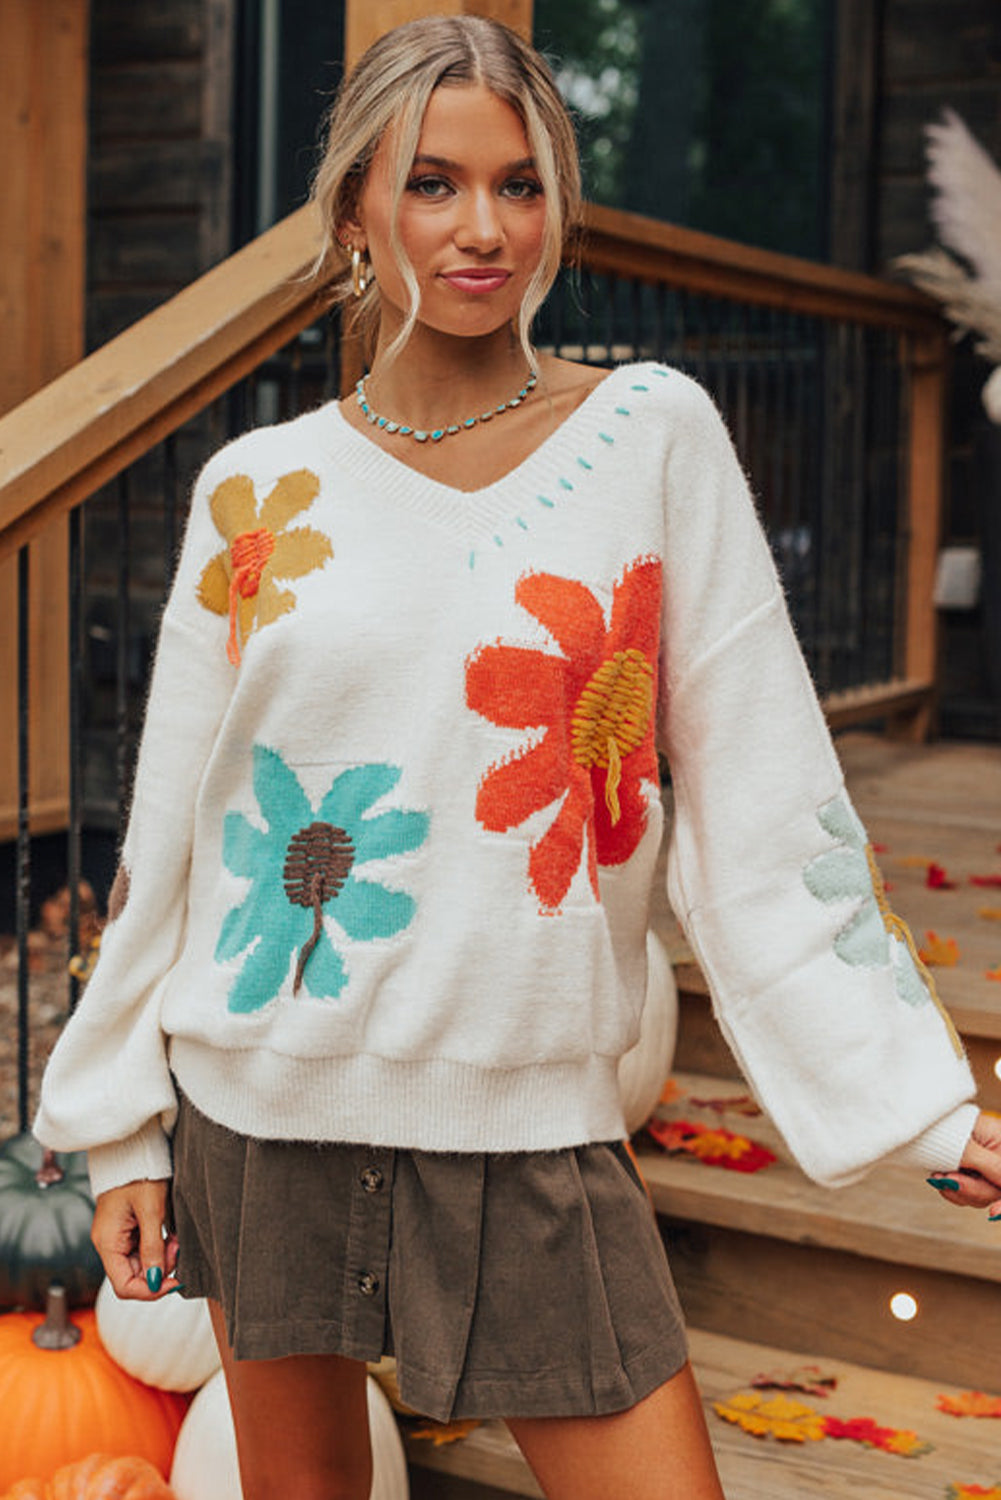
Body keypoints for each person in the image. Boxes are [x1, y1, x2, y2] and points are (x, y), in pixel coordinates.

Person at [36, 16, 1001, 1500]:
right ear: (354, 206)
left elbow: (761, 788)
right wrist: (116, 1134)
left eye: (520, 183)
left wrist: (915, 1103)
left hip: (527, 1125)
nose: (481, 228)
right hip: (262, 1116)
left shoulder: (647, 437)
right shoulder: (258, 488)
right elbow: (177, 832)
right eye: (431, 182)